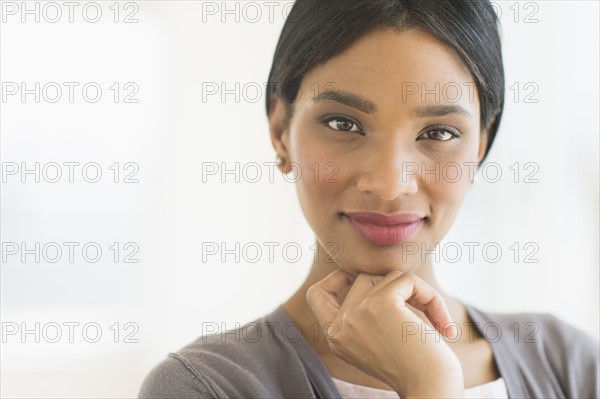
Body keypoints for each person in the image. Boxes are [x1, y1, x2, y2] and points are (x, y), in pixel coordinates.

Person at [139, 0, 600, 397]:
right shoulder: (207, 387)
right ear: (281, 133)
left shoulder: (570, 366)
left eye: (438, 132)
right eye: (343, 124)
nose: (389, 183)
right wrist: (429, 387)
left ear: (479, 146)